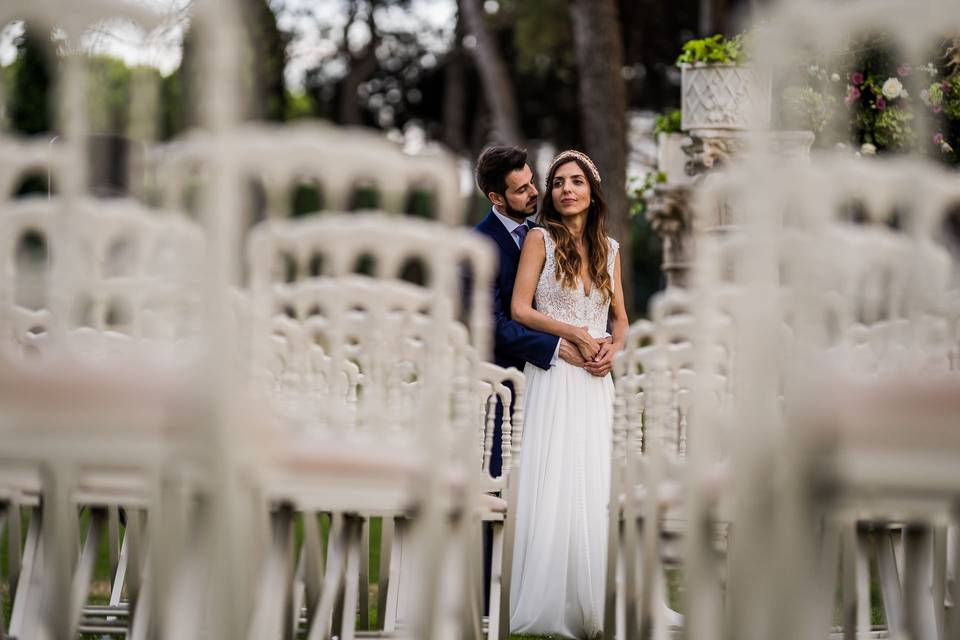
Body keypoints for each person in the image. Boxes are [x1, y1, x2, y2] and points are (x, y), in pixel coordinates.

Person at [509, 149, 628, 639]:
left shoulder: (611, 248)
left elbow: (620, 319)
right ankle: (548, 599)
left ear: (591, 191)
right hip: (556, 376)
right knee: (553, 476)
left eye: (576, 181)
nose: (566, 190)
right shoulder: (540, 238)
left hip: (596, 382)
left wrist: (612, 350)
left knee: (592, 480)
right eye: (557, 183)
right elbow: (520, 309)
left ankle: (594, 599)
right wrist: (575, 334)